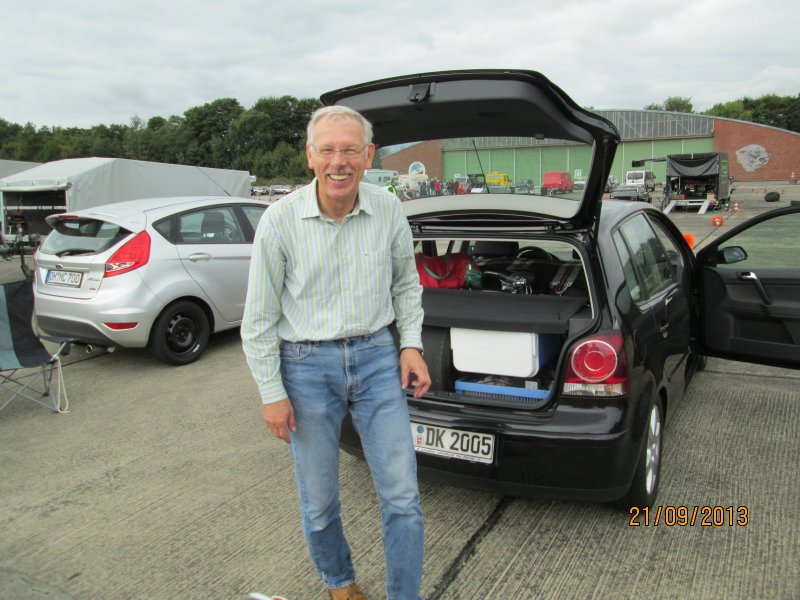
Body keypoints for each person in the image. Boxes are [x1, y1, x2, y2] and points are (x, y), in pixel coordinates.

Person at [241, 105, 431, 600]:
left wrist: (411, 345)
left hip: (377, 359)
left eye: (350, 150)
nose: (338, 162)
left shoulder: (388, 209)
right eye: (327, 150)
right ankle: (341, 585)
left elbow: (406, 286)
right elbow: (258, 320)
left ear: (369, 155)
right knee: (320, 499)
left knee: (402, 496)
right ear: (310, 156)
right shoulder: (280, 221)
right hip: (305, 368)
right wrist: (271, 393)